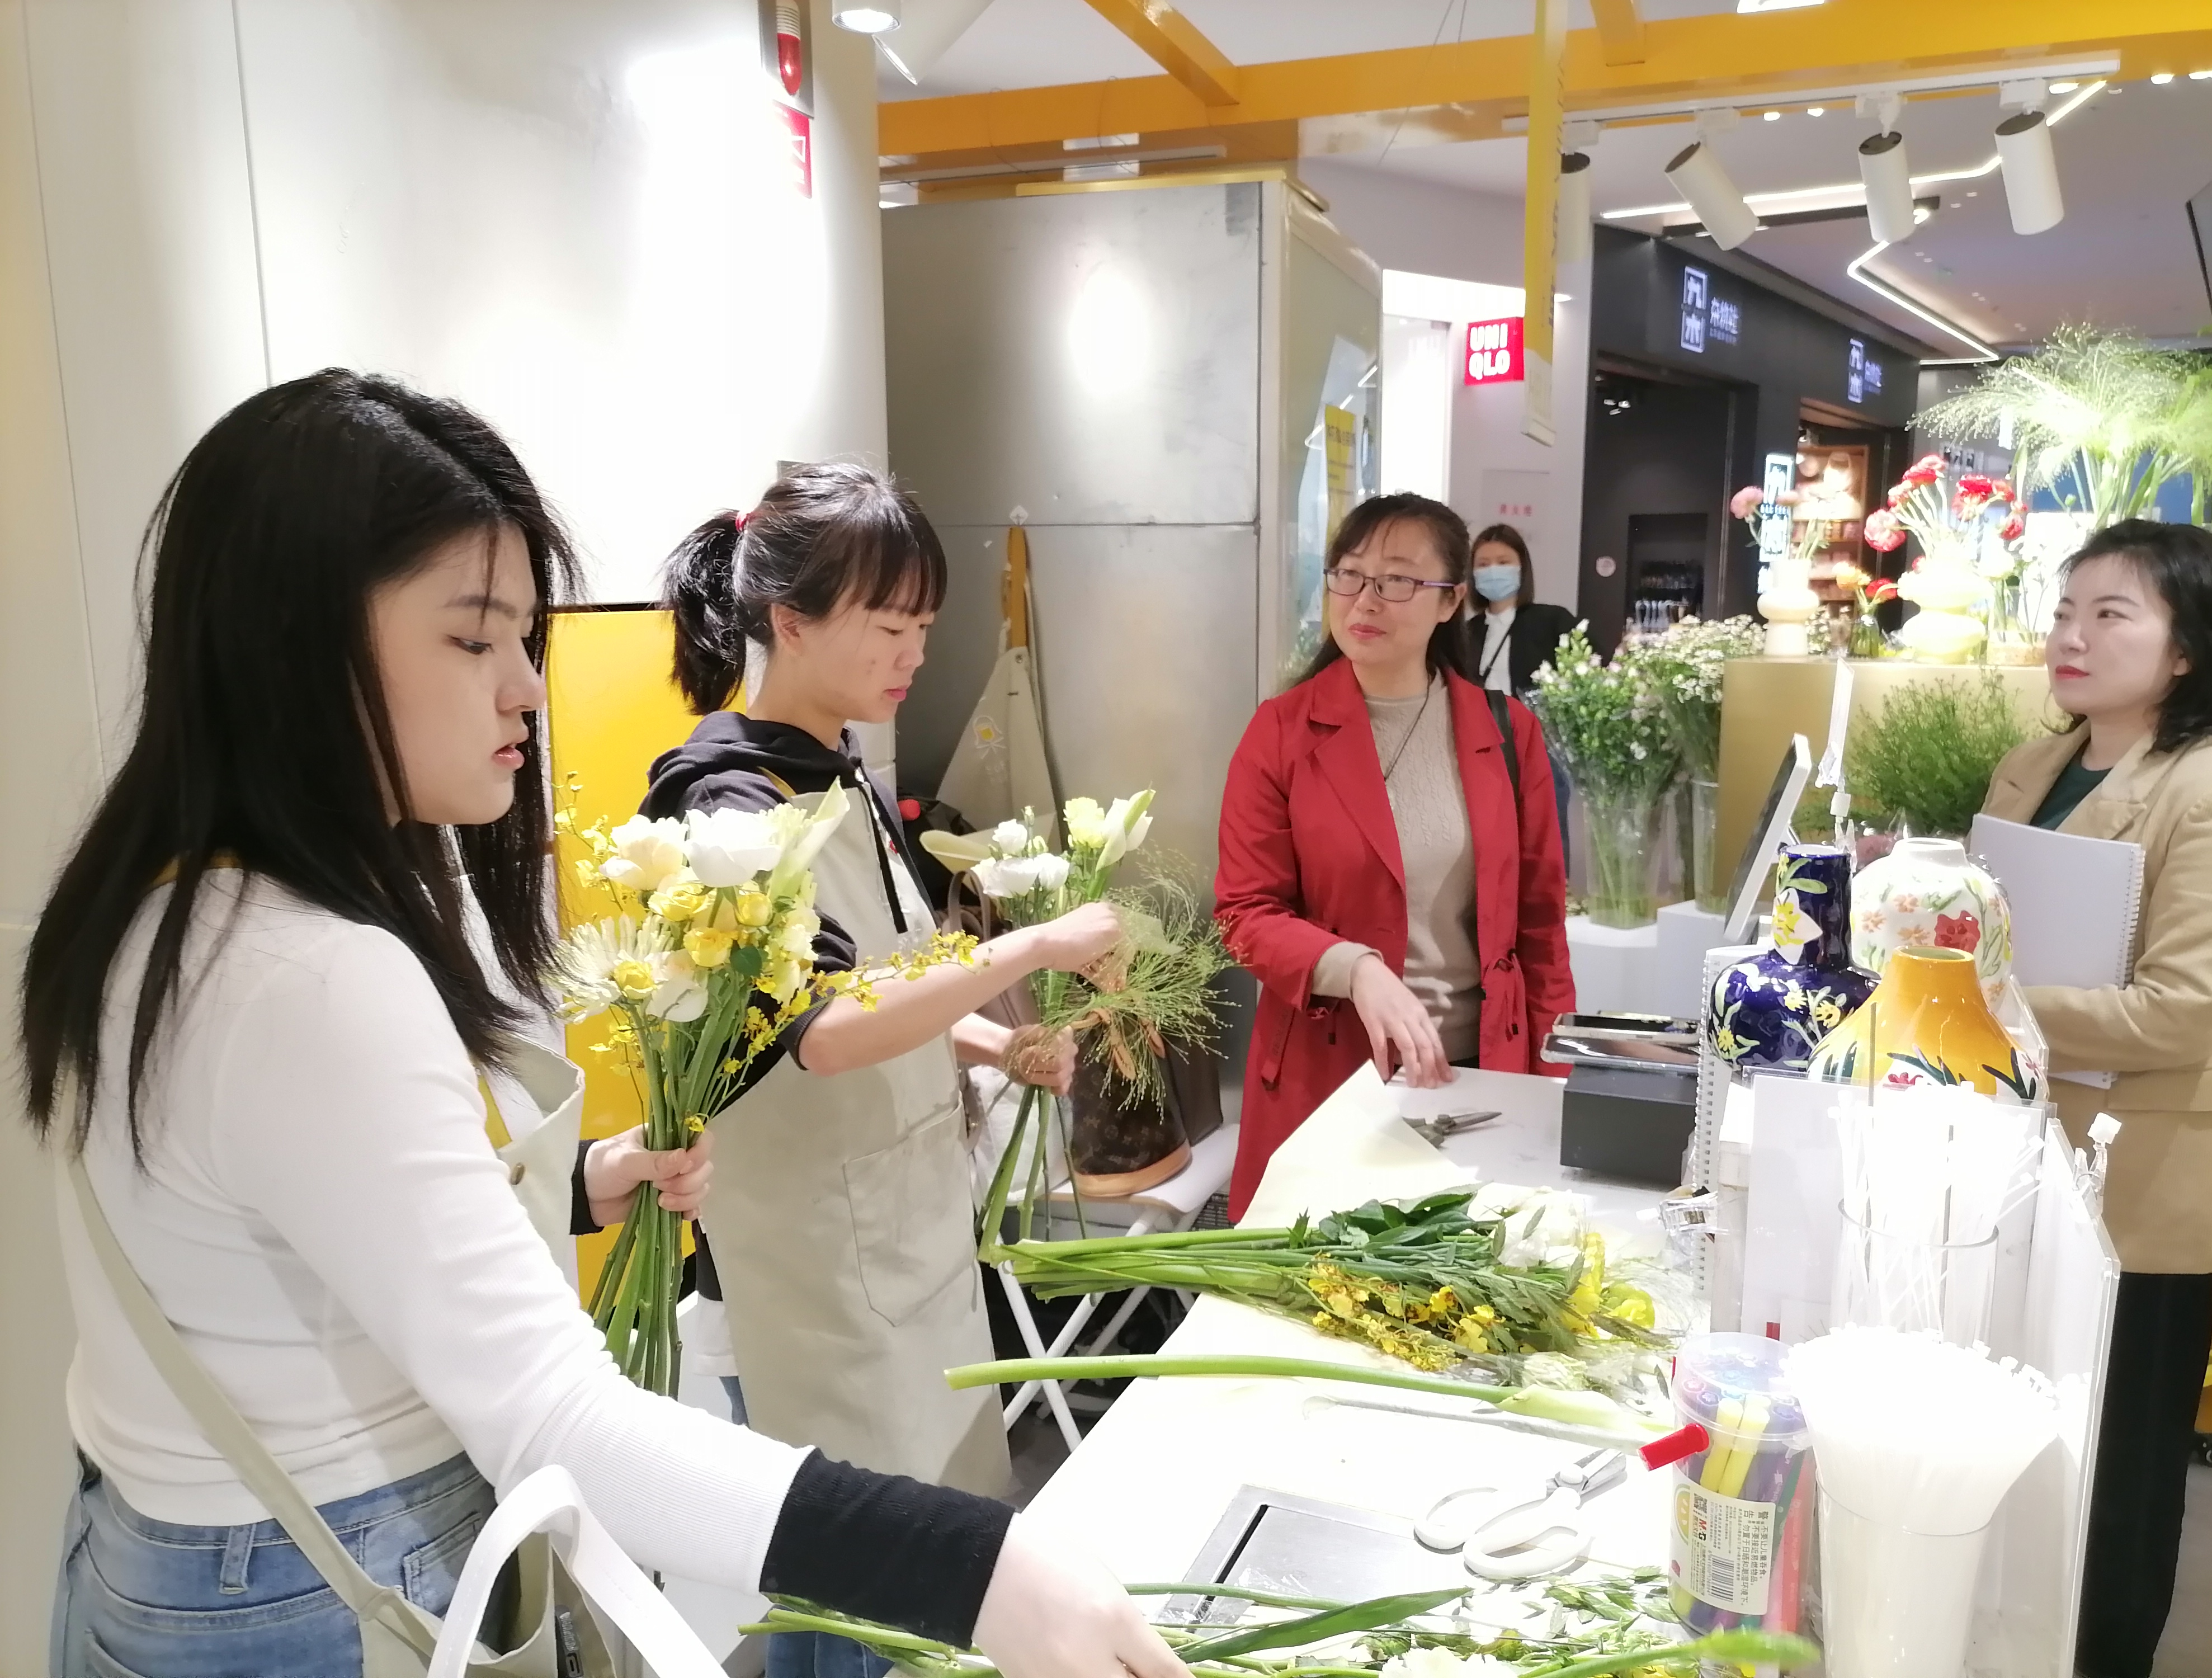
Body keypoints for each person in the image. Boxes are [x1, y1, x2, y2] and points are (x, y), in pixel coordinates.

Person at [21, 370, 1187, 1678]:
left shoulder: (164, 905)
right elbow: (559, 1418)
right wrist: (980, 1572)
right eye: (474, 641)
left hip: (169, 1546)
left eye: (527, 639)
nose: (527, 688)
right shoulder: (315, 971)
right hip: (317, 1578)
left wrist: (574, 1185)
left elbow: (306, 1223)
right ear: (292, 642)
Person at [644, 470, 1128, 1678]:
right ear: (791, 621)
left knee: (923, 1593)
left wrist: (991, 1041)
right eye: (888, 624)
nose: (914, 653)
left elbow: (886, 981)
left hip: (903, 1249)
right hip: (816, 1284)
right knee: (850, 1615)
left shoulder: (840, 768)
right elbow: (815, 1029)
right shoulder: (728, 801)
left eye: (923, 626)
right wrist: (1029, 951)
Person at [1977, 519, 2212, 1678]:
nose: (2071, 637)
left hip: (2137, 1184)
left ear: (2186, 648)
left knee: (2119, 1476)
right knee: (2020, 1444)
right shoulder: (2036, 764)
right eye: (2064, 611)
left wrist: (1986, 995)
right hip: (2015, 1147)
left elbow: (2181, 1014)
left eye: (2110, 614)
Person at [1215, 493, 1576, 1217]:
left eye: (1398, 579)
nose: (1365, 598)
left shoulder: (1508, 733)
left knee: (1469, 1274)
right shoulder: (1281, 731)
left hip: (1480, 1076)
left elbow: (1539, 927)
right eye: (1349, 574)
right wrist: (1354, 969)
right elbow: (1244, 913)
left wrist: (1555, 1080)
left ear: (1450, 601)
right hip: (1332, 1074)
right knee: (1327, 1277)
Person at [1460, 522, 1579, 864]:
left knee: (1544, 832)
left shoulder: (1551, 621)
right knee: (1486, 832)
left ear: (1521, 568)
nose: (1493, 571)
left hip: (1539, 746)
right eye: (1483, 564)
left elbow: (1589, 670)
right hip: (1482, 745)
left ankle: (1553, 889)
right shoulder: (1467, 632)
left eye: (1503, 562)